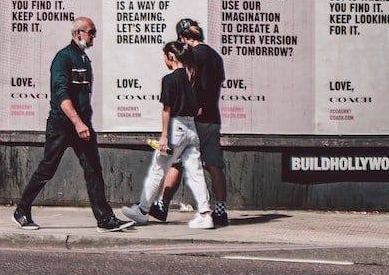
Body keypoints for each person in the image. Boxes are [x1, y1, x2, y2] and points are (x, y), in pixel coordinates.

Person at [13, 16, 134, 232]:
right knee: (47, 169)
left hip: (82, 124)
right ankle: (22, 210)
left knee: (93, 170)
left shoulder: (84, 59)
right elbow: (62, 94)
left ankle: (105, 220)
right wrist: (78, 122)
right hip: (62, 125)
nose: (94, 36)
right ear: (78, 33)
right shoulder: (63, 58)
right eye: (91, 32)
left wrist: (83, 121)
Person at [122, 41, 213, 229]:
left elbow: (166, 110)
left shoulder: (169, 80)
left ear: (171, 57)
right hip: (191, 128)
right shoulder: (191, 78)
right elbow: (198, 110)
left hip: (175, 128)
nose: (164, 60)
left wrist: (164, 136)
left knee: (158, 169)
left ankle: (142, 210)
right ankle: (205, 214)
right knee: (195, 172)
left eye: (164, 56)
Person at [155, 17, 229, 226]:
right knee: (214, 164)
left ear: (184, 38)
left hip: (191, 117)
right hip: (212, 117)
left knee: (176, 161)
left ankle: (162, 206)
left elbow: (186, 84)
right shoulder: (216, 57)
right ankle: (221, 211)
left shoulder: (191, 56)